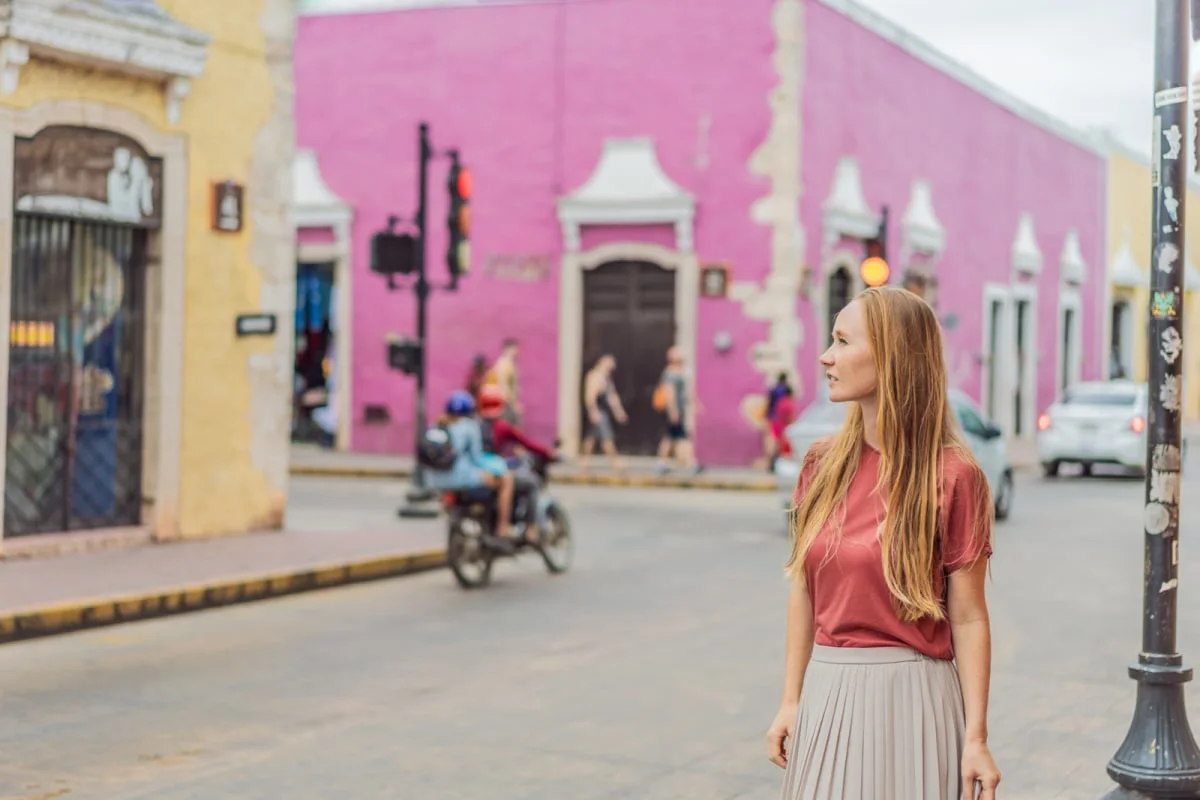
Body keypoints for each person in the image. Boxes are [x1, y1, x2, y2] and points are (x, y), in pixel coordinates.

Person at [766, 287, 1000, 800]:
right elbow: (803, 591)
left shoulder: (954, 476)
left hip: (914, 703)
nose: (826, 356)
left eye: (843, 341)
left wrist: (976, 738)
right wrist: (791, 699)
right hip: (827, 692)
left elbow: (968, 617)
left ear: (892, 356)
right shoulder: (821, 465)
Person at [422, 390, 517, 547]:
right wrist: (499, 466)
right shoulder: (469, 426)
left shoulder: (436, 425)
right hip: (462, 479)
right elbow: (477, 458)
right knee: (506, 480)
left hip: (435, 480)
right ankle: (502, 527)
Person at [477, 384, 556, 541]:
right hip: (492, 473)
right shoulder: (501, 427)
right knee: (532, 484)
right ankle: (528, 528)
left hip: (479, 471)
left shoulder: (474, 424)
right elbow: (527, 442)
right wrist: (548, 453)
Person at [654, 346, 702, 475]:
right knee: (681, 437)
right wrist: (673, 410)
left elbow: (688, 391)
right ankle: (691, 464)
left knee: (670, 437)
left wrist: (695, 404)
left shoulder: (682, 372)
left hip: (680, 410)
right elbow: (669, 393)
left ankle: (663, 463)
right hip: (674, 411)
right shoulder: (670, 373)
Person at [579, 354, 627, 474]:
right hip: (598, 411)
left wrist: (619, 412)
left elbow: (612, 397)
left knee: (591, 438)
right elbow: (590, 396)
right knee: (607, 437)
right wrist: (593, 411)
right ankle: (616, 462)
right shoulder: (596, 377)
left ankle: (584, 461)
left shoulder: (606, 378)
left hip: (601, 411)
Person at [489, 338, 523, 425]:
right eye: (514, 349)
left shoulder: (509, 363)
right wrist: (513, 404)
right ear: (507, 349)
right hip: (505, 403)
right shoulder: (504, 364)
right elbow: (503, 385)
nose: (517, 352)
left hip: (506, 402)